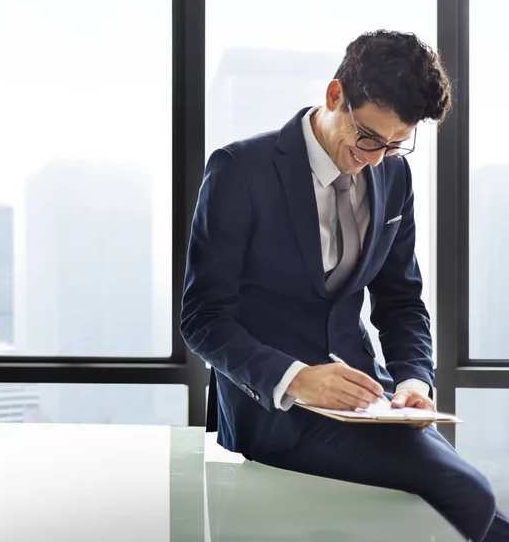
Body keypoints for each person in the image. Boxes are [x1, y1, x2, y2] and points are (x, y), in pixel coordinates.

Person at [180, 30, 509, 541]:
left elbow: (401, 300)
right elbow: (202, 318)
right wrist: (296, 378)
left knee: (488, 519)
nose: (376, 159)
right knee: (472, 497)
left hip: (367, 400)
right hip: (275, 407)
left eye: (396, 145)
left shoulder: (394, 178)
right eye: (369, 138)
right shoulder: (239, 170)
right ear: (335, 96)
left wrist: (414, 382)